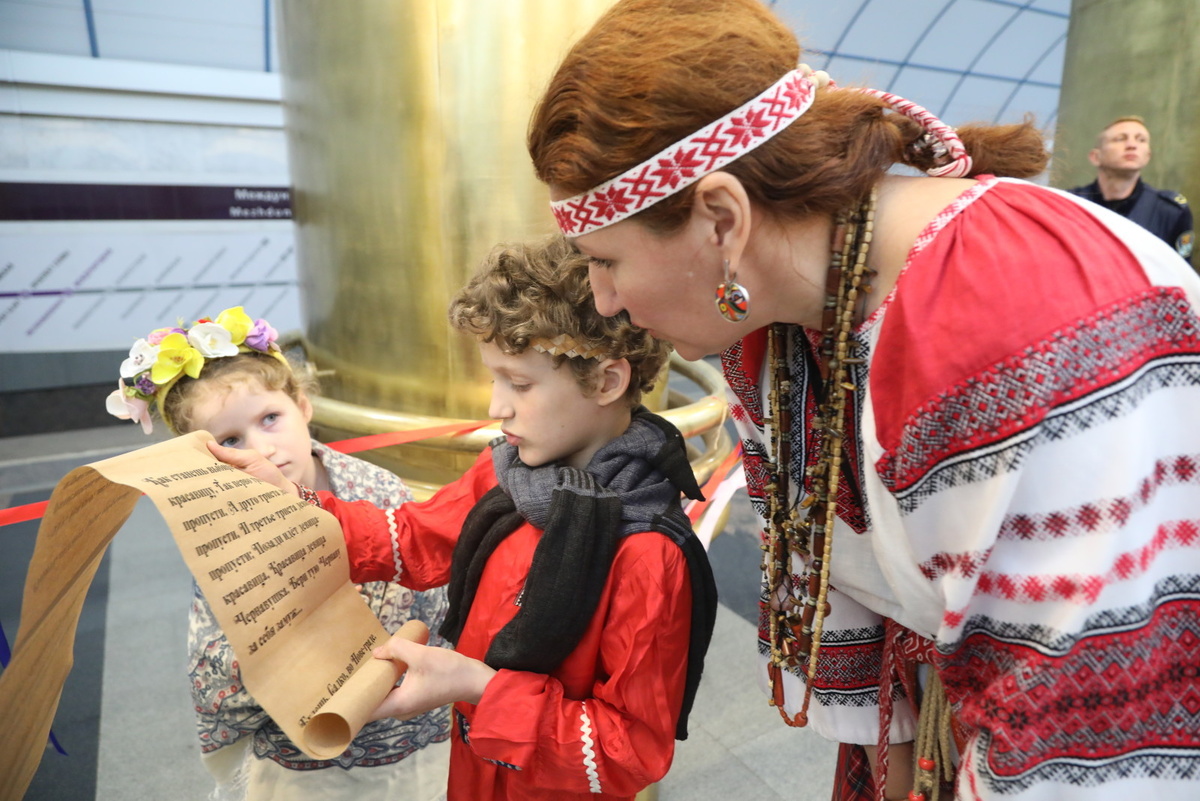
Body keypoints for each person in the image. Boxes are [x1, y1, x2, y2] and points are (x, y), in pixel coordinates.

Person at [526, 1, 1200, 799]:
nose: (602, 301)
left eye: (606, 261)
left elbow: (1092, 743)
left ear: (720, 219)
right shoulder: (770, 322)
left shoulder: (1019, 319)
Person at [209, 236, 719, 801]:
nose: (497, 407)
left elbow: (629, 754)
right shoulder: (505, 473)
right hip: (479, 771)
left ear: (607, 381)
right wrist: (291, 504)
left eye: (520, 384)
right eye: (494, 379)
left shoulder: (647, 553)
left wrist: (481, 687)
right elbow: (409, 538)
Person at [106, 306, 452, 801]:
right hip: (303, 755)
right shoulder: (222, 533)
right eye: (230, 439)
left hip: (412, 734)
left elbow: (435, 589)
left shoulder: (377, 487)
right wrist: (280, 660)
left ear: (303, 405)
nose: (262, 449)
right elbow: (217, 664)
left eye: (270, 418)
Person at [1069, 115, 1193, 263]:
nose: (1132, 145)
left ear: (1147, 156)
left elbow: (1182, 273)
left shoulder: (1170, 211)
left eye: (1141, 140)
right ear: (1096, 157)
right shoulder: (1071, 204)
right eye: (1120, 139)